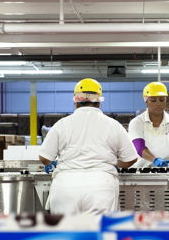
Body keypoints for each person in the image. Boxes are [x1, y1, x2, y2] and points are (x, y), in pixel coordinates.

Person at [39, 78, 138, 214]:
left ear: (75, 101)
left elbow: (44, 157)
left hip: (66, 186)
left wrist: (54, 162)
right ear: (99, 102)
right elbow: (130, 159)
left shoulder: (62, 124)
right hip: (100, 187)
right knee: (97, 233)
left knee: (67, 233)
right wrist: (115, 163)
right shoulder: (113, 125)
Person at [128, 81, 169, 168]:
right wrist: (154, 160)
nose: (158, 103)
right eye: (153, 100)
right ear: (146, 101)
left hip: (166, 170)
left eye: (162, 100)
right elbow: (139, 147)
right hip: (141, 170)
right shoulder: (137, 123)